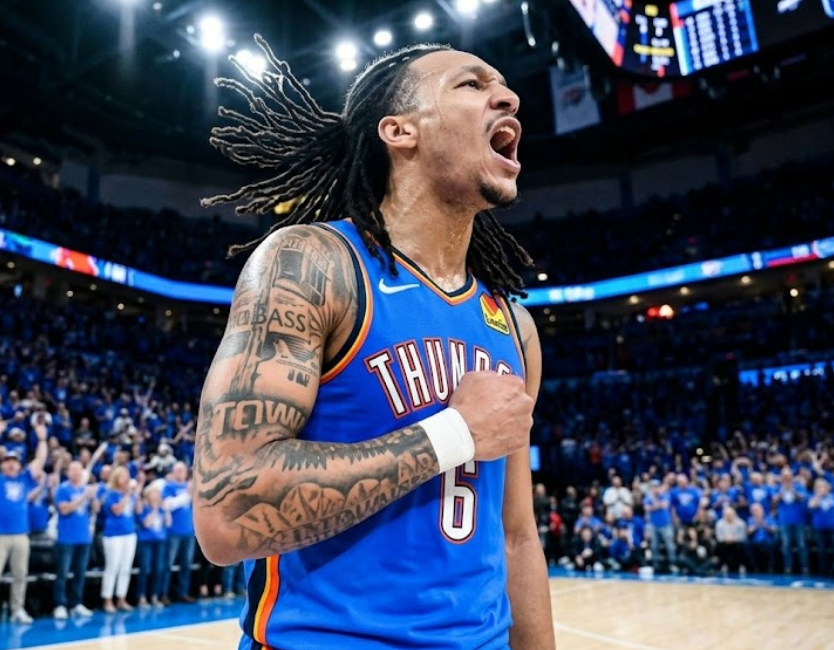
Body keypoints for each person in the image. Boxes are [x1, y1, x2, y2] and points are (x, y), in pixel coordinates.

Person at [194, 36, 552, 649]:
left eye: (502, 86)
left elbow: (517, 535)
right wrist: (454, 433)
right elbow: (227, 513)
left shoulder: (513, 324)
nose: (509, 97)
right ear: (399, 131)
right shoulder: (312, 264)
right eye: (471, 84)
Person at [0, 416, 47, 627]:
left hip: (20, 534)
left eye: (14, 462)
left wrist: (42, 440)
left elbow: (40, 462)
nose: (11, 464)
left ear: (18, 466)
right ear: (3, 465)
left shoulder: (24, 479)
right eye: (7, 461)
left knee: (20, 575)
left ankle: (17, 609)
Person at [52, 460, 99, 620]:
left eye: (79, 470)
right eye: (73, 470)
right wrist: (84, 497)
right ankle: (60, 604)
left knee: (80, 573)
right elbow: (64, 510)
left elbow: (96, 509)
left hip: (84, 537)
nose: (76, 473)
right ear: (68, 473)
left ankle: (76, 603)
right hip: (66, 538)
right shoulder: (63, 489)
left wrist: (93, 499)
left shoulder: (86, 489)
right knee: (63, 573)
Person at [100, 466, 141, 612]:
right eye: (122, 476)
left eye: (127, 475)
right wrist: (128, 495)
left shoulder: (130, 494)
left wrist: (137, 493)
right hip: (113, 535)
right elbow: (116, 510)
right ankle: (107, 599)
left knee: (126, 568)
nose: (126, 478)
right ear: (116, 478)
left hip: (129, 533)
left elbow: (139, 510)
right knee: (112, 567)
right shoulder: (110, 494)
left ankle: (121, 598)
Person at [162, 462, 196, 604]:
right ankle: (163, 594)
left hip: (189, 531)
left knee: (186, 565)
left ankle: (183, 592)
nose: (181, 472)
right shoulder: (169, 486)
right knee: (168, 564)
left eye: (183, 470)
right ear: (173, 472)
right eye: (178, 470)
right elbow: (168, 505)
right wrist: (186, 495)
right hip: (174, 532)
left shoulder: (191, 487)